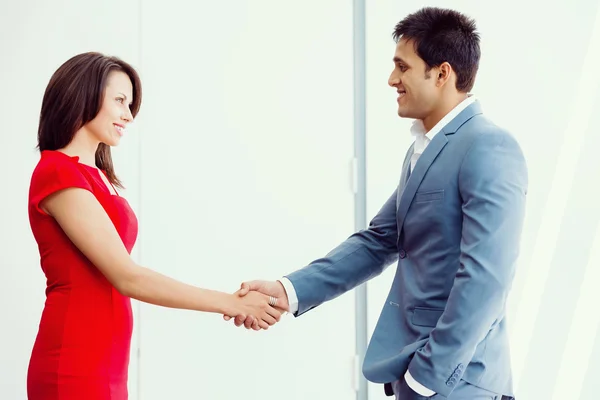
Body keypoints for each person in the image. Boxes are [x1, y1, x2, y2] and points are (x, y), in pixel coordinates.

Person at [227, 7, 526, 400]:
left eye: (402, 67)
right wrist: (287, 290)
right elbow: (379, 241)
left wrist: (428, 377)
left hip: (460, 383)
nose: (392, 80)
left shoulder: (488, 146)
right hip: (418, 380)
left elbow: (487, 279)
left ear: (442, 73)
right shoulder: (423, 150)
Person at [26, 52, 282, 400]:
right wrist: (231, 302)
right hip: (74, 361)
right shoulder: (58, 172)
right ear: (83, 93)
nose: (128, 115)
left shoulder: (97, 177)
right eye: (119, 101)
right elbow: (127, 276)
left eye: (130, 104)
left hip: (107, 361)